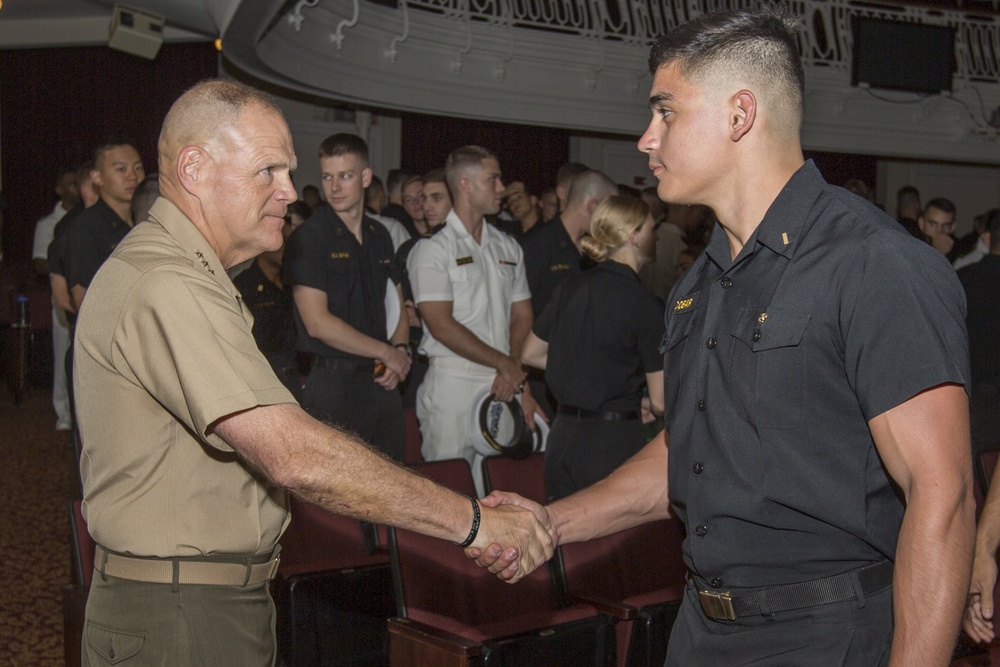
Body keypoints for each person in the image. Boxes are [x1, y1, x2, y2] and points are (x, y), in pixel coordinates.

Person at [473, 10, 973, 666]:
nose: (646, 138)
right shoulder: (695, 287)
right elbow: (685, 455)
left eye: (667, 112)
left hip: (829, 635)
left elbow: (943, 492)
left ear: (740, 114)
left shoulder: (873, 262)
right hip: (703, 630)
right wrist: (553, 521)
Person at [74, 80, 553, 665]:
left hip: (202, 600)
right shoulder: (166, 281)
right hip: (181, 611)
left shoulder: (183, 274)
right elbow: (291, 453)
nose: (287, 192)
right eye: (268, 171)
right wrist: (474, 523)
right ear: (195, 168)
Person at [407, 146, 538, 490]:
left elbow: (522, 314)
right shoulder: (433, 248)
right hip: (455, 381)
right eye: (492, 179)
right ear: (465, 185)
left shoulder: (507, 246)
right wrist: (506, 364)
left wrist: (511, 369)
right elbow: (441, 325)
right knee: (449, 492)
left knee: (499, 489)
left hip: (503, 382)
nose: (501, 188)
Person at [521, 196, 664, 500]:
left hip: (562, 440)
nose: (657, 235)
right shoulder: (645, 304)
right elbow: (661, 402)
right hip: (613, 442)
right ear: (633, 236)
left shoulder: (570, 286)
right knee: (613, 545)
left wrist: (587, 372)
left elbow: (530, 354)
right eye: (652, 228)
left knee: (564, 539)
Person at [284, 133, 410, 462]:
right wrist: (385, 350)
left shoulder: (380, 235)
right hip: (334, 385)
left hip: (382, 382)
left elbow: (396, 300)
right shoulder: (309, 239)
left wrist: (400, 350)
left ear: (366, 177)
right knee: (339, 502)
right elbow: (317, 323)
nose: (335, 187)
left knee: (394, 494)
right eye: (327, 177)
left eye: (345, 176)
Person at [66, 137, 145, 309]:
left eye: (138, 168)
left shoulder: (148, 222)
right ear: (97, 177)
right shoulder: (86, 227)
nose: (133, 176)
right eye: (121, 169)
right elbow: (83, 299)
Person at [33, 167, 79, 431]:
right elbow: (39, 261)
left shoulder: (84, 219)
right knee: (63, 352)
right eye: (69, 183)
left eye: (77, 182)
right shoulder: (48, 224)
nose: (74, 187)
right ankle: (63, 412)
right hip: (61, 297)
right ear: (59, 189)